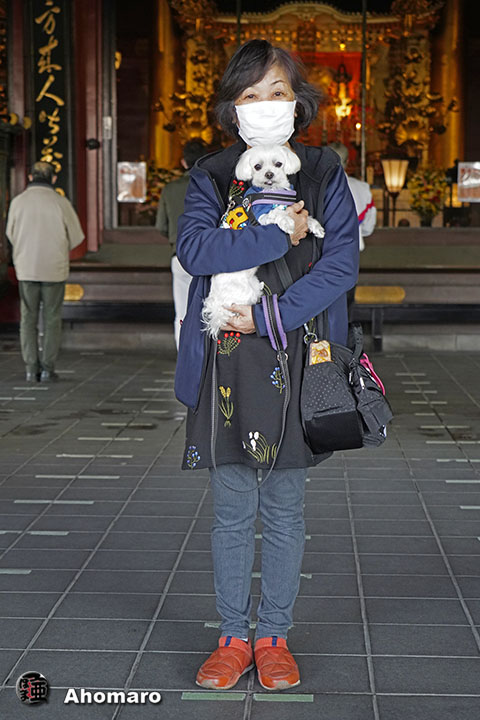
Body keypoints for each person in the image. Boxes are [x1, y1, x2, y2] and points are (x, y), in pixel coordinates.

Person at [175, 40, 358, 691]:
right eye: (249, 95)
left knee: (284, 506)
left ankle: (274, 635)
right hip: (225, 360)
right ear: (232, 108)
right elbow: (196, 250)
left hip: (297, 354)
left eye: (276, 91)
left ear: (298, 101)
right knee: (231, 508)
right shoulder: (212, 175)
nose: (264, 105)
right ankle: (232, 636)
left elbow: (340, 264)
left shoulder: (323, 171)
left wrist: (271, 316)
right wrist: (276, 232)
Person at [6, 161, 84, 382]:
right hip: (54, 268)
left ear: (30, 177)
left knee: (27, 317)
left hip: (26, 268)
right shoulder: (61, 203)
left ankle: (31, 367)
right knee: (52, 318)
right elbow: (77, 237)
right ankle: (48, 368)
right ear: (53, 179)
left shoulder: (18, 202)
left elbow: (10, 234)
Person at [156, 138, 210, 349]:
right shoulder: (211, 187)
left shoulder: (170, 189)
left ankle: (184, 354)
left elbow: (161, 225)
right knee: (209, 307)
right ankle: (207, 354)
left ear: (183, 162)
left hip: (179, 254)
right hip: (209, 255)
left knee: (182, 309)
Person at [328, 141, 376, 251]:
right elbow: (368, 228)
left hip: (320, 253)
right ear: (348, 161)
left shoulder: (311, 188)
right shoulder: (362, 189)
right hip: (351, 250)